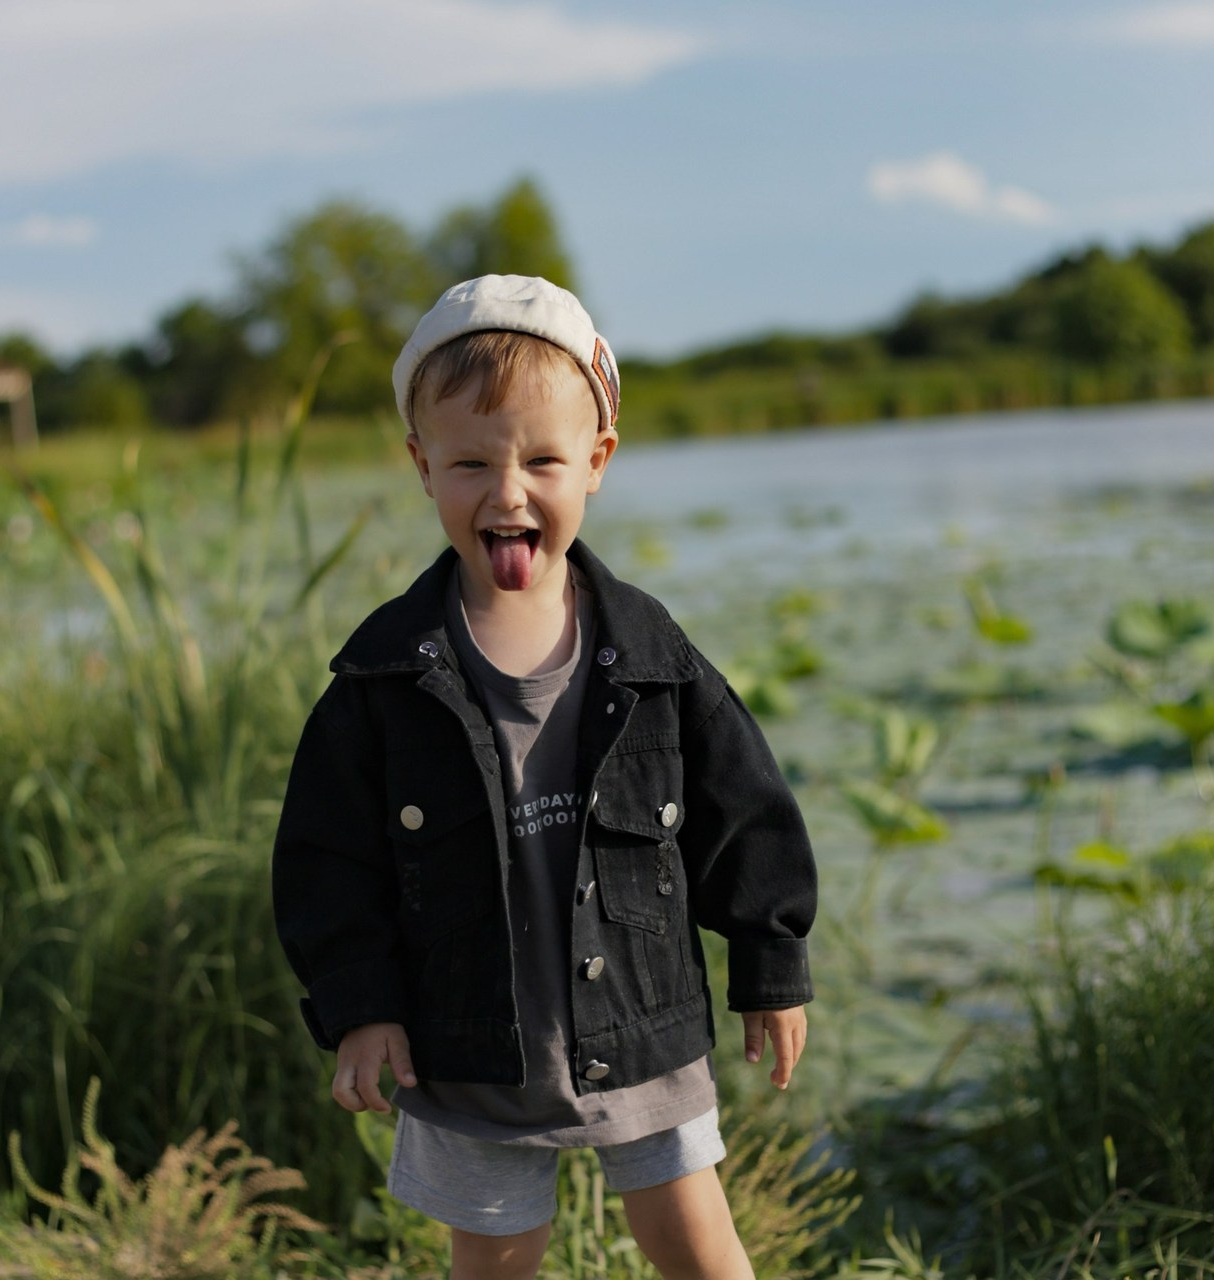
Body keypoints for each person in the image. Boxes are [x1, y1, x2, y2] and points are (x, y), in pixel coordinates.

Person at [272, 275, 817, 1279]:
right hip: (463, 1038)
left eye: (542, 460)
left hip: (640, 1015)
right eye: (470, 461)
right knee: (494, 1259)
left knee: (698, 1244)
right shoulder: (383, 677)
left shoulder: (651, 653)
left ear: (596, 462)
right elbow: (324, 857)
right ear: (421, 465)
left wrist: (767, 958)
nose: (508, 491)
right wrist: (359, 1003)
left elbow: (740, 805)